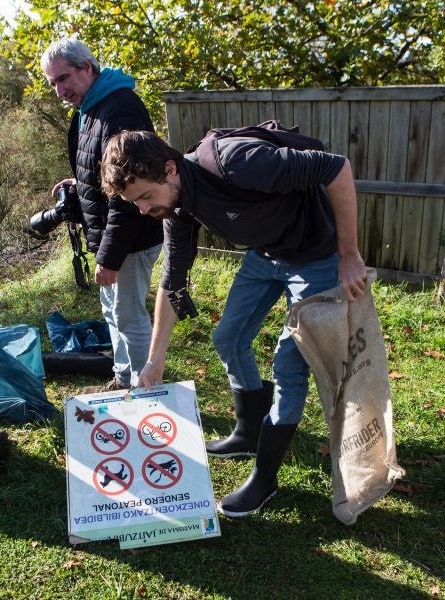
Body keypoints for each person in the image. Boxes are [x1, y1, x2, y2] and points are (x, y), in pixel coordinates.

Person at [100, 130, 368, 518]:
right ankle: (248, 432)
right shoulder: (174, 207)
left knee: (288, 367)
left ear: (170, 169)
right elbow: (172, 282)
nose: (142, 210)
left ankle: (265, 477)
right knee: (228, 338)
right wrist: (154, 360)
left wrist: (349, 254)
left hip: (316, 256)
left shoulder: (238, 162)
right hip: (267, 254)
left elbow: (337, 167)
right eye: (133, 202)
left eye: (144, 197)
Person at [41, 39, 162, 392]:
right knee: (114, 313)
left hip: (130, 238)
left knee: (130, 316)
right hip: (113, 236)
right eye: (54, 84)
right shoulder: (93, 106)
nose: (60, 90)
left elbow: (130, 194)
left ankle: (145, 390)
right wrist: (81, 183)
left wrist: (109, 257)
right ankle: (124, 379)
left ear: (88, 68)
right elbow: (105, 170)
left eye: (64, 78)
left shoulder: (119, 109)